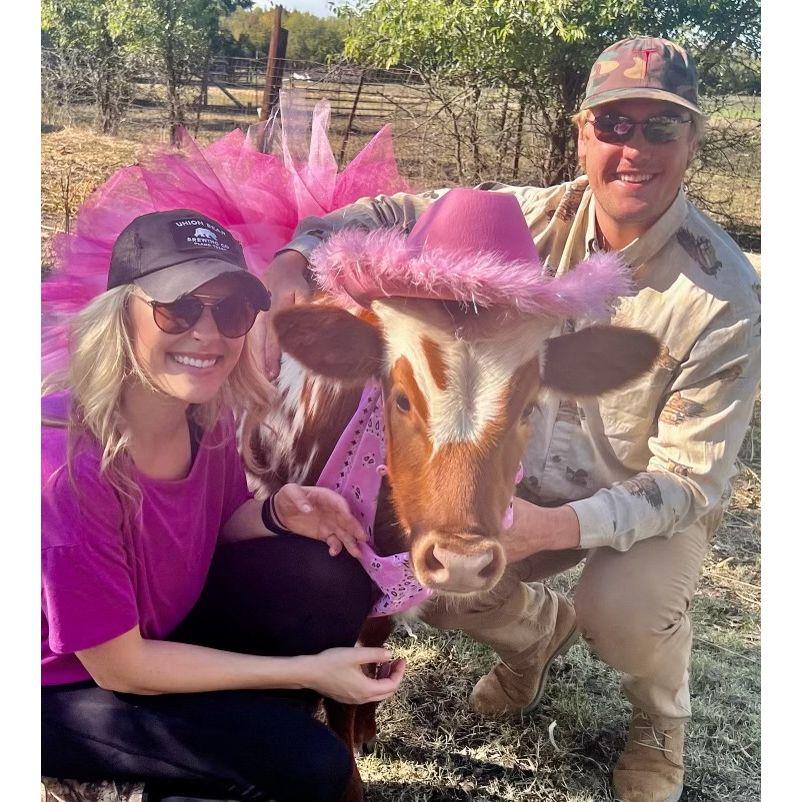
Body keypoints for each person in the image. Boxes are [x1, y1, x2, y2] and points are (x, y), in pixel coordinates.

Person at [257, 37, 761, 802]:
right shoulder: (530, 215)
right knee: (441, 570)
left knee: (621, 617)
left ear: (694, 138)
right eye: (615, 125)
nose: (635, 149)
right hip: (509, 476)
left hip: (642, 502)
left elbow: (692, 479)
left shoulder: (724, 296)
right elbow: (391, 212)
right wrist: (295, 258)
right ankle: (533, 638)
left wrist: (556, 530)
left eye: (662, 127)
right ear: (583, 131)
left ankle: (661, 722)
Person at [41, 209, 405, 802]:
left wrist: (276, 513)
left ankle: (240, 745)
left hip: (161, 632)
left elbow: (215, 527)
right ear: (119, 317)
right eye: (177, 308)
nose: (207, 334)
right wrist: (307, 674)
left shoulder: (206, 418)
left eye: (231, 311)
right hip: (64, 690)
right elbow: (122, 668)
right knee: (310, 766)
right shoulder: (66, 474)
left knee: (330, 575)